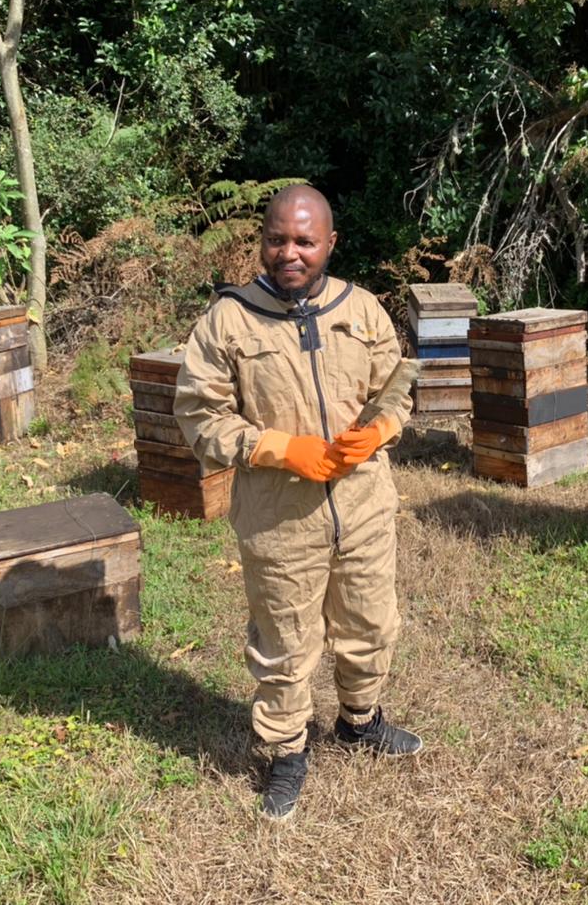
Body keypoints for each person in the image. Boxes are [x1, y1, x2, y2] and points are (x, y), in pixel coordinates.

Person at [174, 185, 421, 822]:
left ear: (329, 243)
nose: (290, 253)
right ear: (262, 243)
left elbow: (396, 389)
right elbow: (199, 416)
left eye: (305, 241)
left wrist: (382, 429)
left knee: (371, 623)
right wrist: (280, 448)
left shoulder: (362, 310)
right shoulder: (228, 321)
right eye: (277, 239)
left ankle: (360, 721)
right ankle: (287, 752)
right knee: (285, 642)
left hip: (363, 507)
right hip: (278, 518)